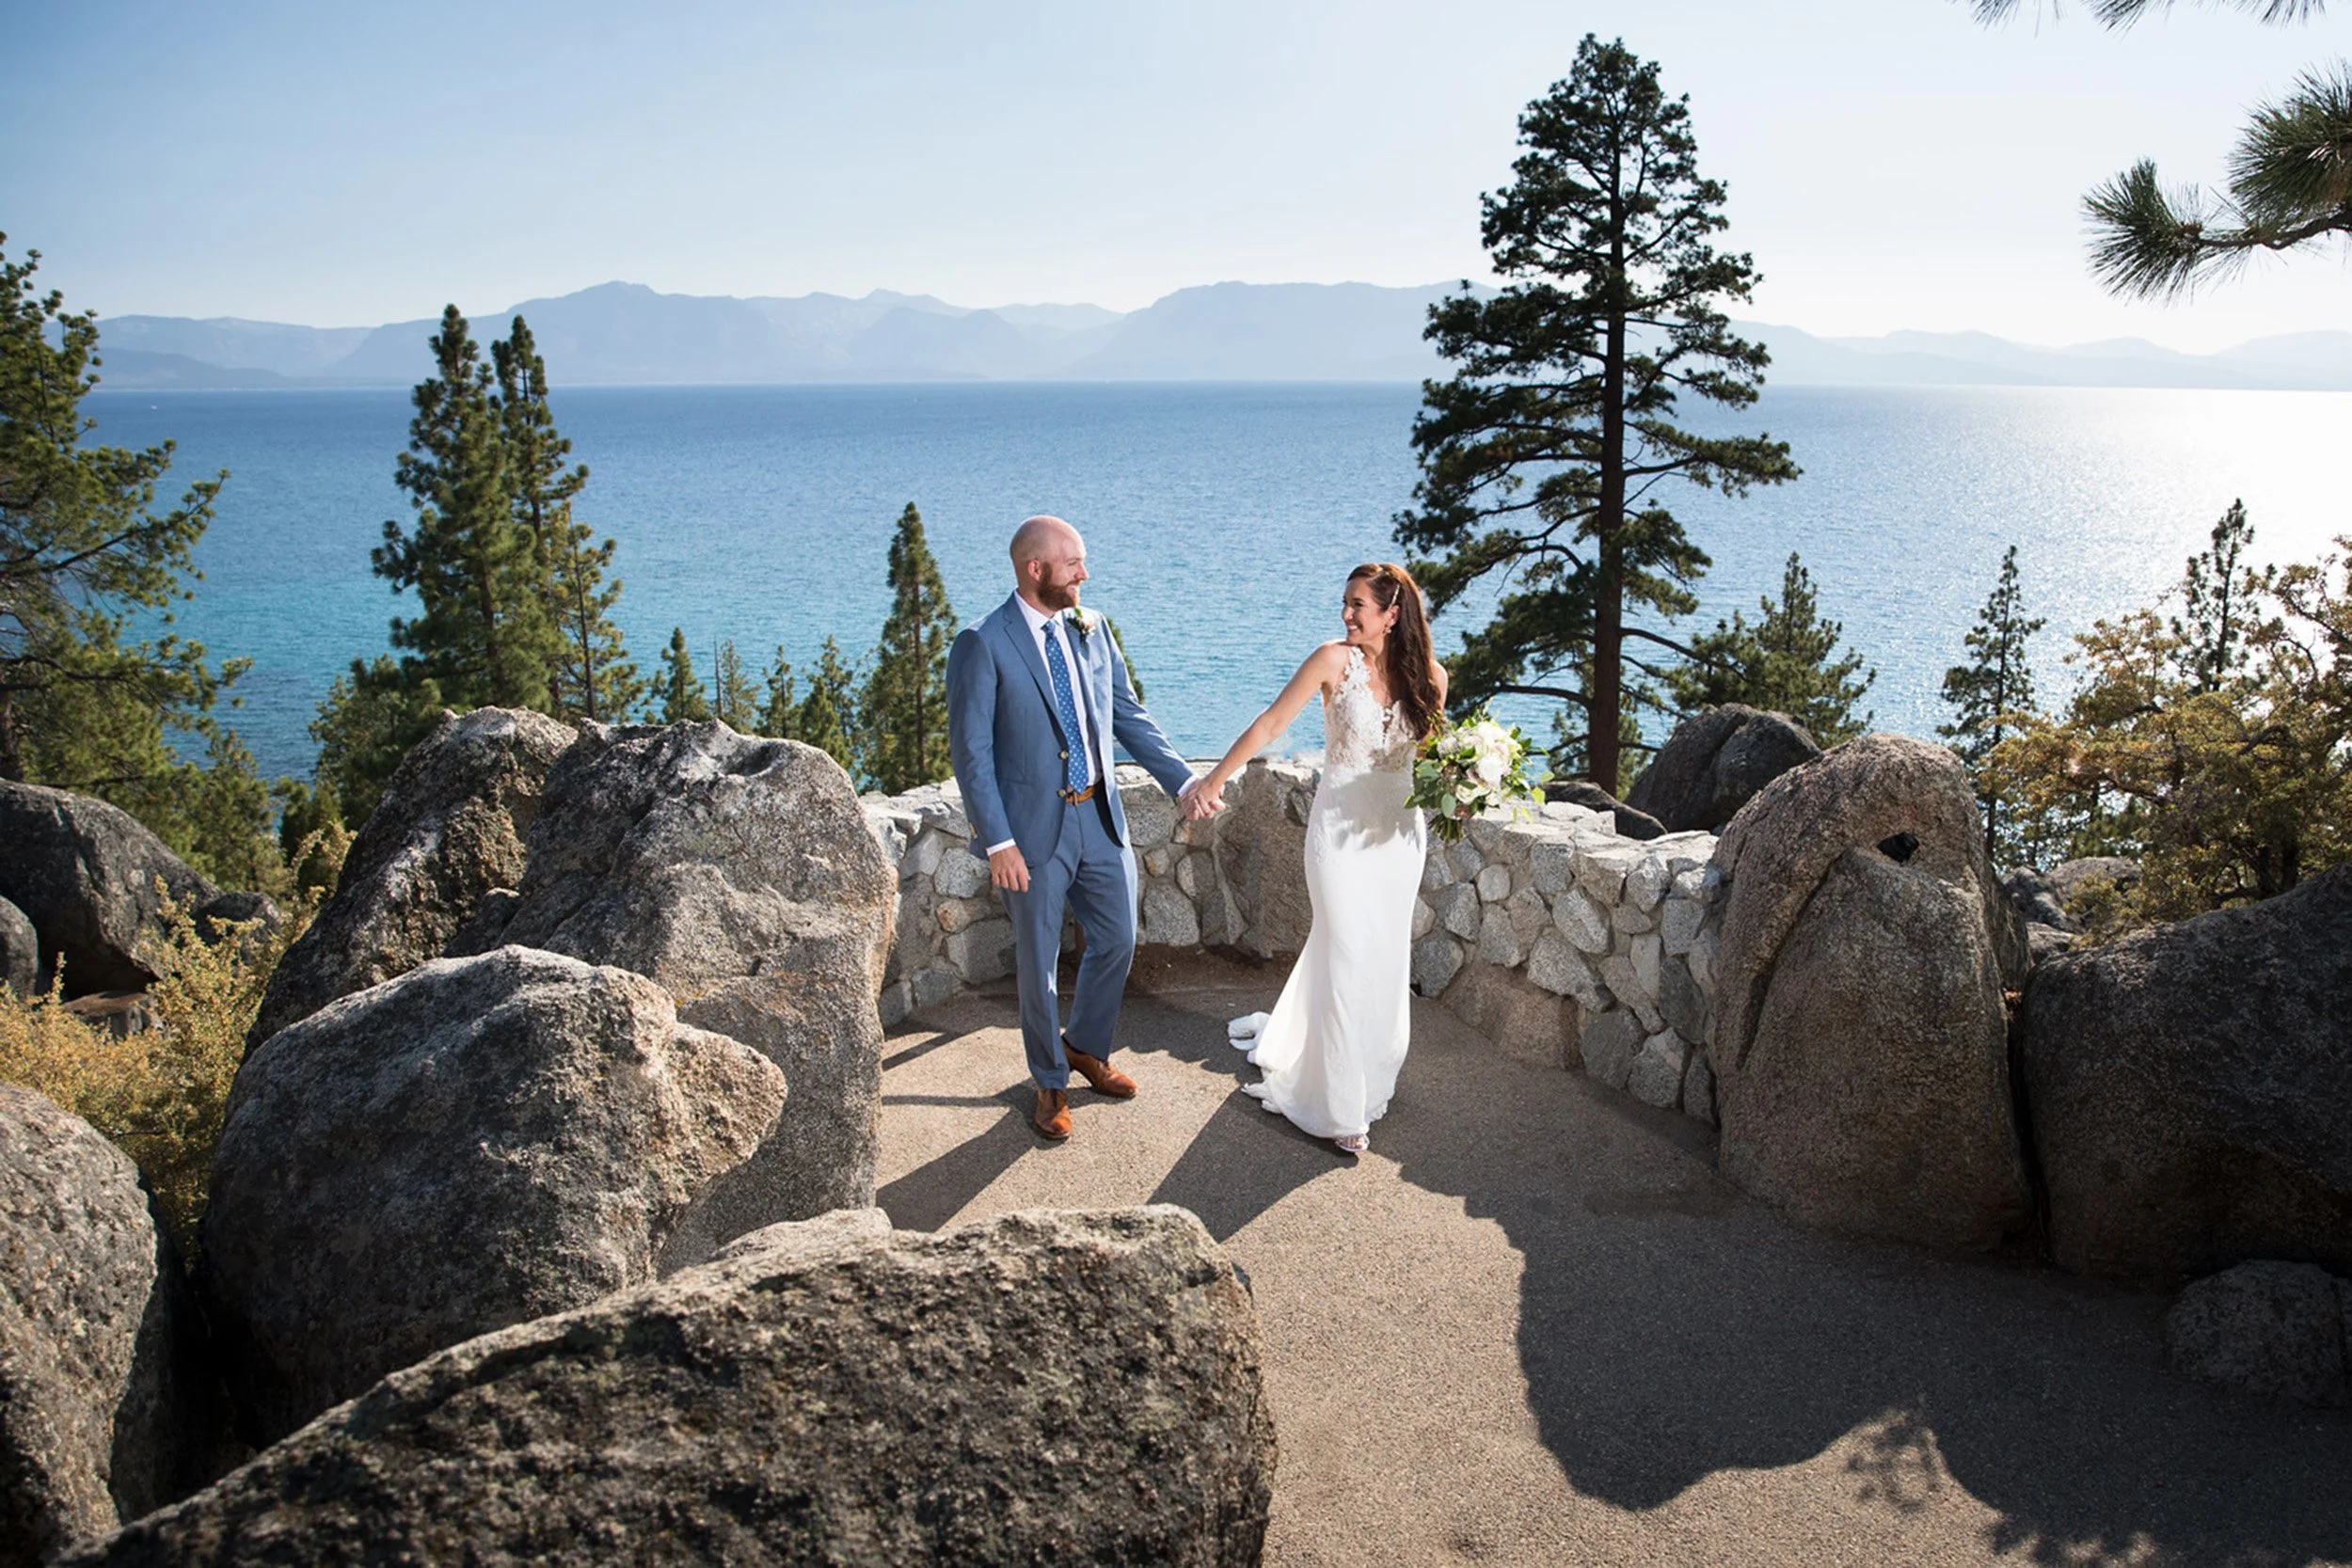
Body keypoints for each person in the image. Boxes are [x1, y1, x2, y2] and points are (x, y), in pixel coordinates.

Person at [945, 515, 1215, 1142]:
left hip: (1098, 815)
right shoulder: (983, 643)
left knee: (1118, 938)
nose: (1085, 574)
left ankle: (1086, 1046)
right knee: (1038, 964)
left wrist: (1182, 781)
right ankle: (1049, 1083)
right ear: (1036, 569)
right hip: (1031, 832)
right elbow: (973, 756)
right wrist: (999, 841)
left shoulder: (1092, 630)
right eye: (1074, 565)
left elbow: (1128, 715)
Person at [1185, 562, 1447, 1156]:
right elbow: (1272, 723)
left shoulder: (1431, 677)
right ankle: (1336, 1105)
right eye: (1345, 603)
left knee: (1380, 958)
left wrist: (1470, 785)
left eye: (1358, 605)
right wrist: (1213, 779)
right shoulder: (1332, 660)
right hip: (1337, 835)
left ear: (1392, 613)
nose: (1346, 615)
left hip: (1398, 838)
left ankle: (1370, 1073)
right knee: (1348, 951)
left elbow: (1430, 763)